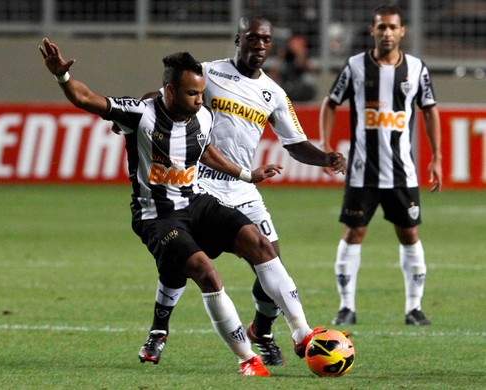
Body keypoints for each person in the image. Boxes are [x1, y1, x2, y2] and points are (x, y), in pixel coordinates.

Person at [39, 38, 324, 376]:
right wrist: (63, 78)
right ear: (170, 90)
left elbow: (205, 152)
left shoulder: (202, 118)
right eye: (192, 93)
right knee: (205, 272)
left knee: (259, 244)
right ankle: (247, 359)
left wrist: (248, 174)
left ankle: (302, 333)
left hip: (195, 202)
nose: (200, 100)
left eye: (202, 93)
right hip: (157, 216)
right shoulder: (140, 114)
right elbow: (85, 98)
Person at [136, 15, 346, 367]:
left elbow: (294, 144)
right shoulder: (208, 73)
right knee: (181, 260)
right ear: (239, 39)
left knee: (269, 256)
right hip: (197, 182)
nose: (259, 46)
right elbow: (163, 98)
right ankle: (159, 330)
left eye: (265, 40)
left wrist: (325, 156)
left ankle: (263, 329)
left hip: (242, 186)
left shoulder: (274, 93)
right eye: (252, 38)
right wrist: (135, 116)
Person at [319, 4, 442, 326]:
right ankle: (346, 307)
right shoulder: (356, 67)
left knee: (409, 233)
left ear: (402, 31)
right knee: (354, 233)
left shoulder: (416, 69)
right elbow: (330, 102)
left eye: (392, 27)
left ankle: (414, 309)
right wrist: (326, 144)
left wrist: (437, 158)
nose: (386, 33)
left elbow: (430, 110)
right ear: (373, 31)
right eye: (381, 27)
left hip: (402, 171)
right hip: (362, 171)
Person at [270, 35, 317, 102]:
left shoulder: (307, 58)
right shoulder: (285, 59)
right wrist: (279, 59)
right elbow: (273, 76)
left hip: (303, 90)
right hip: (287, 90)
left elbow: (310, 70)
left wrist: (299, 54)